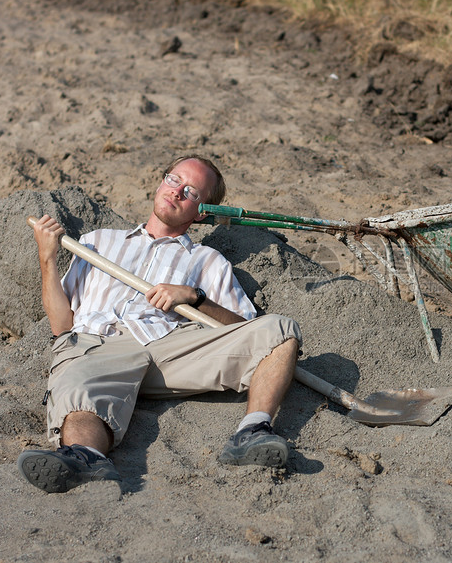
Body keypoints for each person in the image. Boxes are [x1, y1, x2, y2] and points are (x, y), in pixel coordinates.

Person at [18, 155, 301, 493]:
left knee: (278, 331)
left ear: (201, 212)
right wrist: (47, 256)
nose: (177, 191)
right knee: (80, 397)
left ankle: (253, 432)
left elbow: (243, 328)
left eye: (192, 191)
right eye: (173, 179)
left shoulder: (206, 260)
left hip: (169, 347)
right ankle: (86, 457)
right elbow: (61, 325)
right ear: (160, 182)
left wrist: (195, 298)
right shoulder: (98, 242)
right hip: (99, 343)